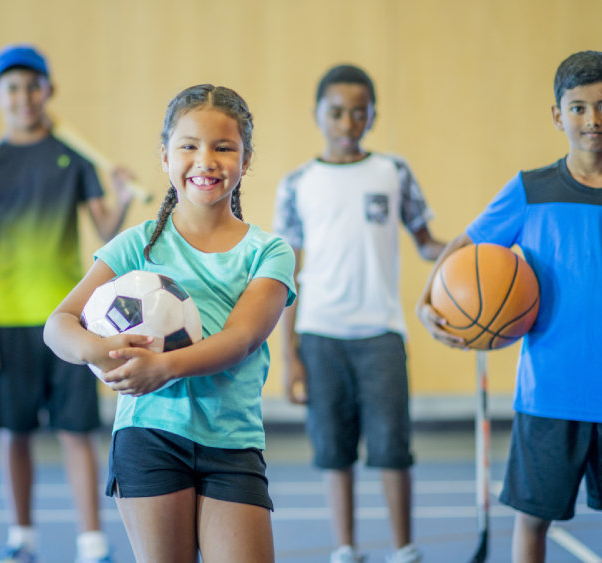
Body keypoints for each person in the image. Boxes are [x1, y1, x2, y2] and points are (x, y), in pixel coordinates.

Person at [43, 84, 297, 563]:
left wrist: (162, 368)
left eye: (224, 147)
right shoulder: (133, 247)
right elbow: (59, 324)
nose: (206, 160)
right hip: (149, 437)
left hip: (231, 442)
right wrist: (101, 352)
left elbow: (241, 339)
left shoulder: (268, 252)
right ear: (165, 158)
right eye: (189, 146)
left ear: (245, 161)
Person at [417, 51, 602, 563]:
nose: (593, 120)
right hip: (549, 392)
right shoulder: (531, 190)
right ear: (558, 115)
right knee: (532, 520)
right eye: (580, 108)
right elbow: (464, 247)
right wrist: (424, 301)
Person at [0, 44, 133, 563]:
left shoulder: (75, 159)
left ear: (48, 92)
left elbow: (105, 230)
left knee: (77, 432)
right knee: (14, 434)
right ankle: (23, 538)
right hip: (9, 322)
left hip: (71, 323)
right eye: (12, 88)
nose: (23, 97)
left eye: (32, 87)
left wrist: (122, 196)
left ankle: (92, 543)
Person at [273, 65, 446, 563]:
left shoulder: (393, 172)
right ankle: (345, 547)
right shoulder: (297, 184)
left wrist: (475, 247)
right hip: (320, 336)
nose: (347, 123)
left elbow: (427, 243)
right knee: (334, 452)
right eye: (336, 113)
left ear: (372, 116)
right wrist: (290, 358)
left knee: (393, 448)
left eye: (358, 113)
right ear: (317, 115)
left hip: (381, 334)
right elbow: (287, 276)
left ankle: (403, 547)